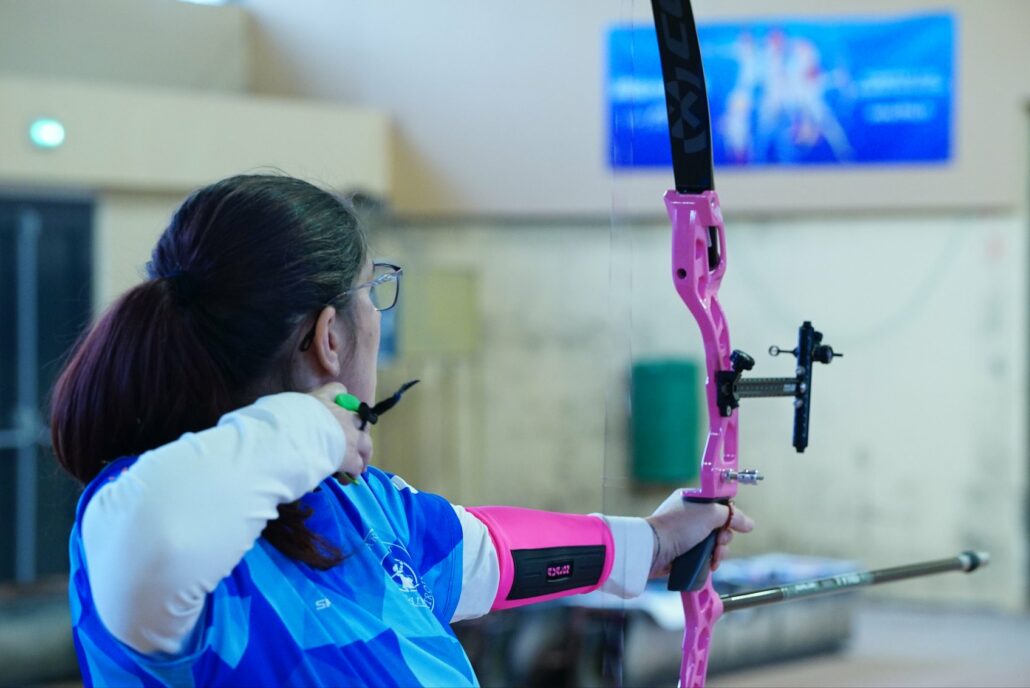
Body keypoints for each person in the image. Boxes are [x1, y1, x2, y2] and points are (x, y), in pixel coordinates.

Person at [51, 174, 753, 687]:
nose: (376, 315)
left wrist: (655, 543)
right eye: (372, 291)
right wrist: (317, 424)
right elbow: (164, 523)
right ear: (330, 337)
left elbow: (490, 555)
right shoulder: (125, 519)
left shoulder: (360, 503)